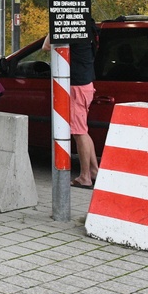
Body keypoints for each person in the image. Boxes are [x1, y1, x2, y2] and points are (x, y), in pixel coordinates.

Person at [43, 15, 99, 189]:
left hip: (76, 86)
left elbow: (46, 46)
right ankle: (94, 171)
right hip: (86, 83)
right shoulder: (90, 27)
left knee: (78, 132)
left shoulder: (72, 28)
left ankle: (85, 177)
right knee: (83, 130)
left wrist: (54, 25)